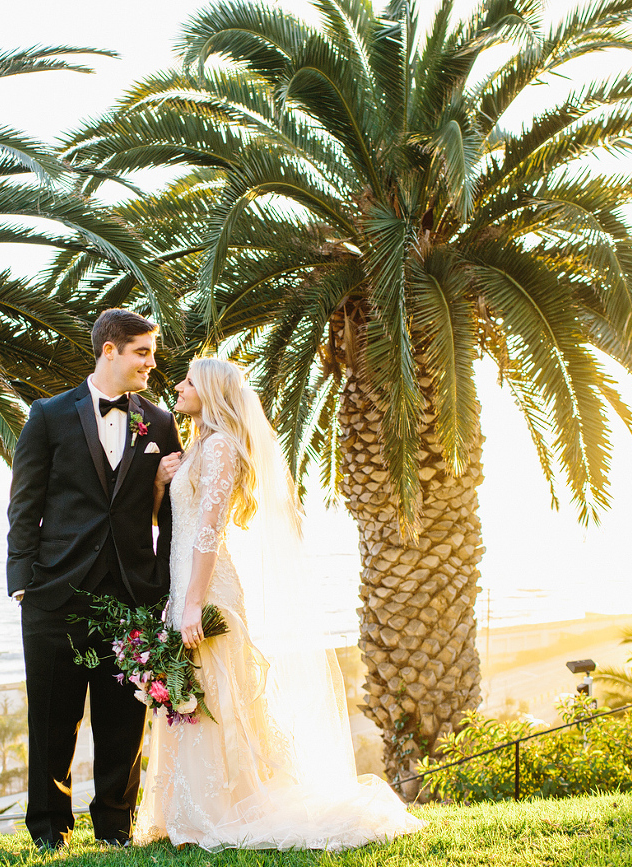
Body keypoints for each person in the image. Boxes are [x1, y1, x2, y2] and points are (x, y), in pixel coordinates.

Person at [137, 357, 424, 851]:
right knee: (192, 688)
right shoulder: (200, 444)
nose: (179, 387)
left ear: (210, 392)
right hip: (182, 582)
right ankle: (187, 807)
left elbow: (208, 533)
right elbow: (179, 524)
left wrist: (193, 604)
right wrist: (163, 484)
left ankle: (222, 806)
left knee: (215, 689)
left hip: (205, 585)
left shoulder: (223, 446)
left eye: (188, 381)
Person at [6, 308, 182, 850]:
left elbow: (173, 514)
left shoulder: (160, 422)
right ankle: (48, 832)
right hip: (54, 595)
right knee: (53, 721)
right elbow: (25, 503)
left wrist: (165, 584)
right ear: (110, 350)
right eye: (142, 352)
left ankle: (113, 830)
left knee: (122, 723)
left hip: (132, 593)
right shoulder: (49, 415)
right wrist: (21, 580)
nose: (151, 363)